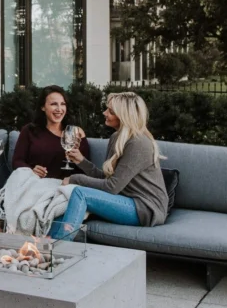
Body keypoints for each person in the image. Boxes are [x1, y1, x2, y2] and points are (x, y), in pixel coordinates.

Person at [48, 92, 167, 240]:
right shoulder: (117, 138)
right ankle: (46, 244)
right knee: (69, 195)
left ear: (123, 116)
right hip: (127, 200)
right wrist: (81, 161)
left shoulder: (139, 143)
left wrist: (75, 179)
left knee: (80, 193)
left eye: (110, 111)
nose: (104, 113)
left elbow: (112, 187)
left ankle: (60, 248)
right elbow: (106, 178)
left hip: (145, 208)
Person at [11, 85, 90, 180]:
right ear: (43, 107)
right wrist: (31, 170)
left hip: (63, 187)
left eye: (63, 104)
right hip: (34, 183)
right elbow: (17, 161)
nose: (59, 109)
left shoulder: (75, 133)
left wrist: (78, 158)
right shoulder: (29, 130)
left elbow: (86, 171)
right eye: (54, 104)